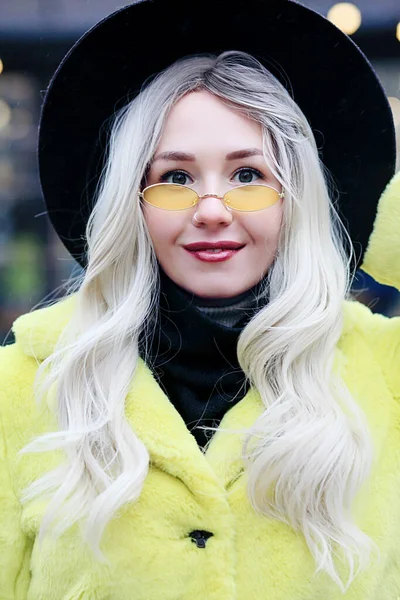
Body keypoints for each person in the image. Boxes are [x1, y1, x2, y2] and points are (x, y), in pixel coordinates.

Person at [0, 0, 399, 598]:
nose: (212, 211)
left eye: (248, 176)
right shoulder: (25, 385)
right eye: (176, 178)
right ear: (131, 201)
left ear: (297, 196)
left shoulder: (383, 371)